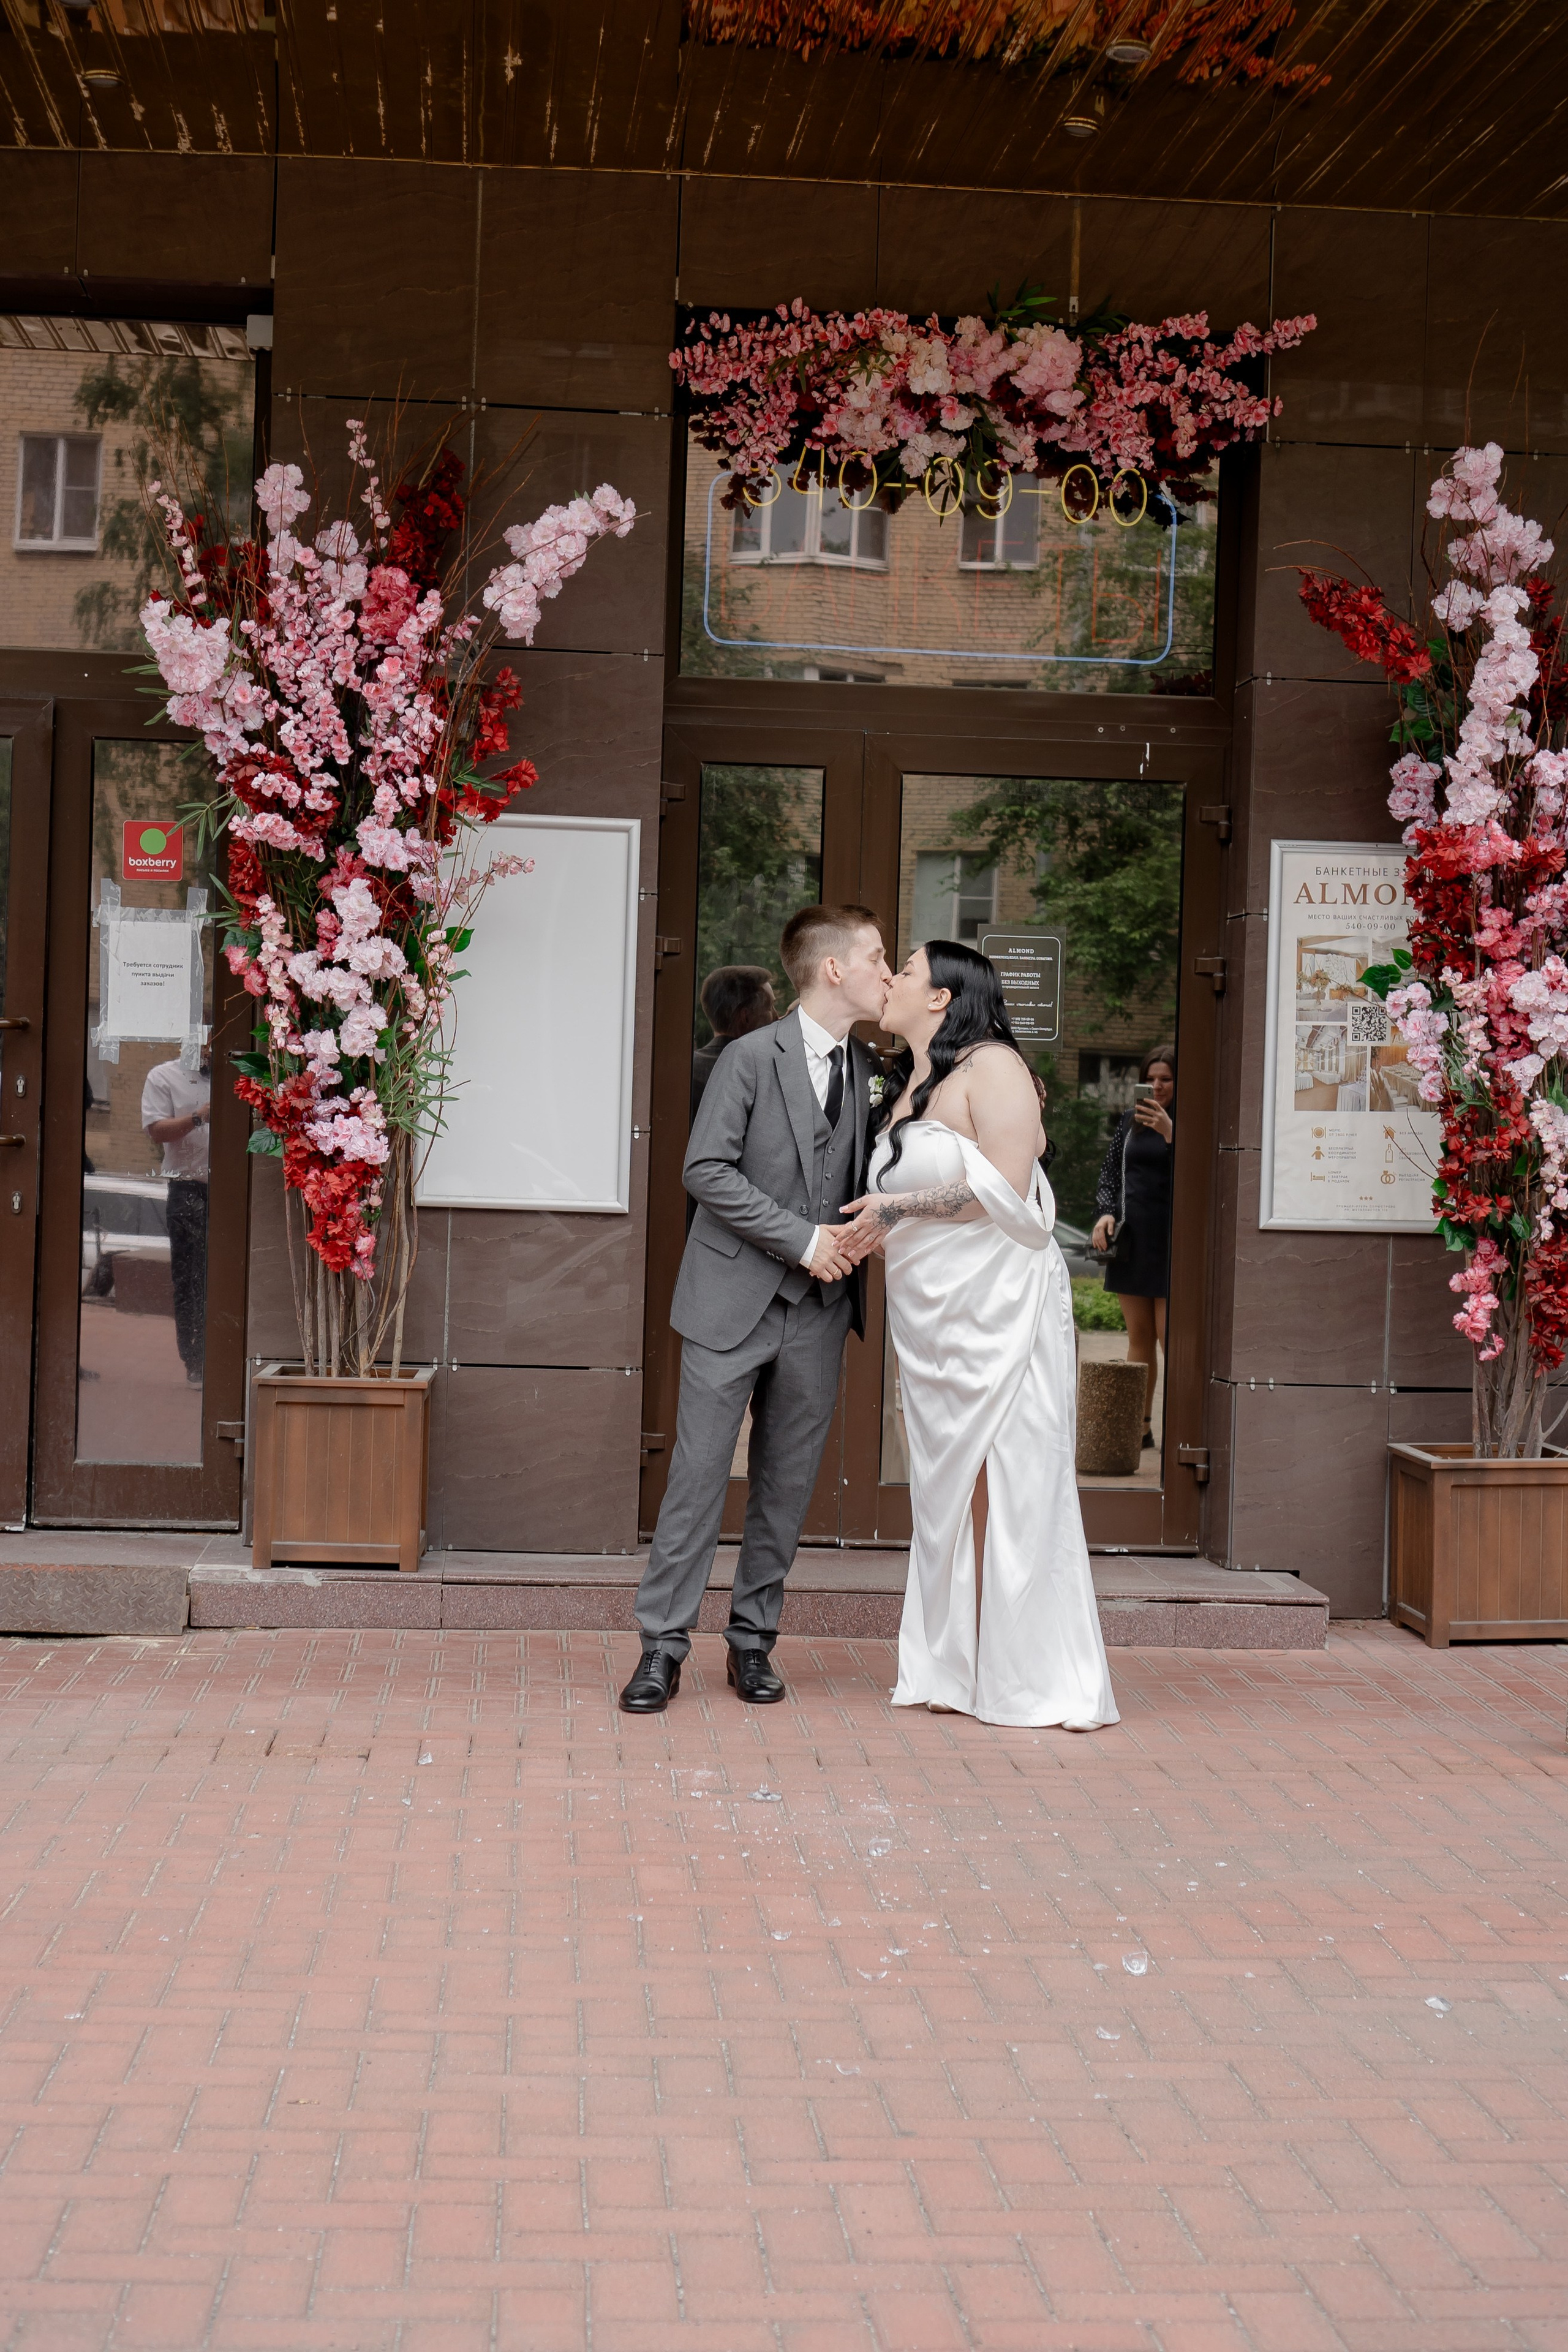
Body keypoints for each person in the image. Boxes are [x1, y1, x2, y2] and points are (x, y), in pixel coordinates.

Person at [837, 941, 1117, 1732]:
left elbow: (1006, 1183)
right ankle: (951, 1666)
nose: (889, 979)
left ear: (942, 997)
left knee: (1011, 1478)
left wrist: (899, 1211)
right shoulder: (904, 1086)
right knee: (946, 1490)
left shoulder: (992, 1066)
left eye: (907, 969)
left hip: (998, 1304)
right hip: (931, 1320)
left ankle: (1025, 1671)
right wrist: (873, 1230)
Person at [620, 906, 891, 1715]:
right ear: (834, 968)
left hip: (818, 1310)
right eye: (878, 957)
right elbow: (705, 1170)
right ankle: (662, 1648)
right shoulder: (746, 1058)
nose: (888, 971)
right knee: (698, 1477)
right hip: (729, 1298)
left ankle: (752, 1643)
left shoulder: (870, 1067)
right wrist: (805, 1241)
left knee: (786, 1485)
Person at [1090, 1046, 1175, 1453]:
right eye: (1152, 1078)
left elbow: (1202, 1172)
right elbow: (1110, 1176)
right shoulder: (1129, 1122)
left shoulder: (1185, 1123)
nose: (1157, 1086)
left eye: (1166, 1079)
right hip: (1134, 1240)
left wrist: (1170, 1132)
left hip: (1175, 1242)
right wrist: (1105, 1214)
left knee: (1170, 1338)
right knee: (1139, 1337)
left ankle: (1184, 1424)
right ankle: (1139, 1429)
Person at [141, 1048, 211, 1387]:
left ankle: (224, 1355)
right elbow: (156, 1130)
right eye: (207, 1040)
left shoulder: (240, 1074)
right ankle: (195, 1361)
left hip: (233, 1191)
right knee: (190, 1280)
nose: (211, 1049)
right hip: (189, 1191)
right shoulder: (163, 1076)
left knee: (225, 1276)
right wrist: (198, 1117)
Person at [691, 965, 777, 1120]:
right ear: (746, 1017)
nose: (777, 1017)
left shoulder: (688, 1072)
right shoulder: (766, 1072)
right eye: (770, 1007)